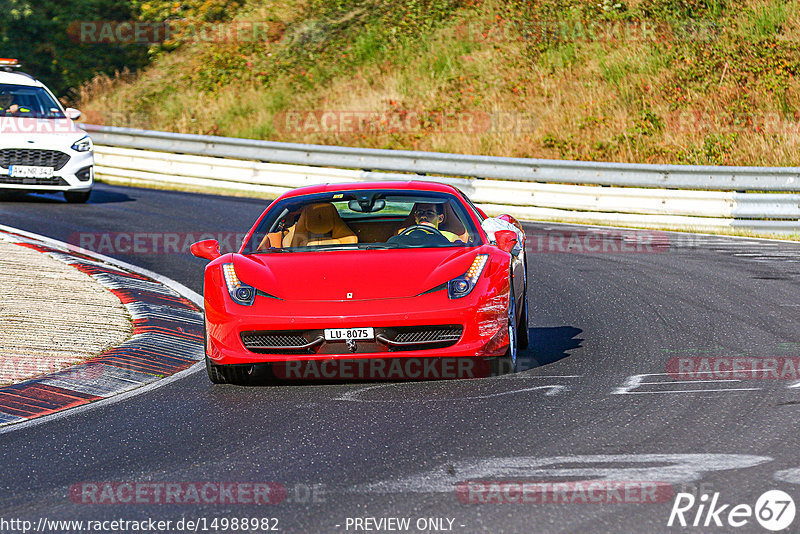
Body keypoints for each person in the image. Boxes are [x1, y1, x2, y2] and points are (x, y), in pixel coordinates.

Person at [398, 202, 462, 243]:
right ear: (415, 217)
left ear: (440, 218)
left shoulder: (451, 238)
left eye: (429, 213)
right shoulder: (405, 236)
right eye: (419, 213)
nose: (423, 216)